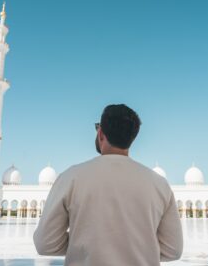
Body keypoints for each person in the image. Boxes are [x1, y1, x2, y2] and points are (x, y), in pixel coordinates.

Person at [34, 104, 183, 266]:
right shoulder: (159, 184)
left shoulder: (70, 178)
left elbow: (45, 244)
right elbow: (173, 250)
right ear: (132, 138)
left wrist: (87, 244)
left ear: (100, 133)